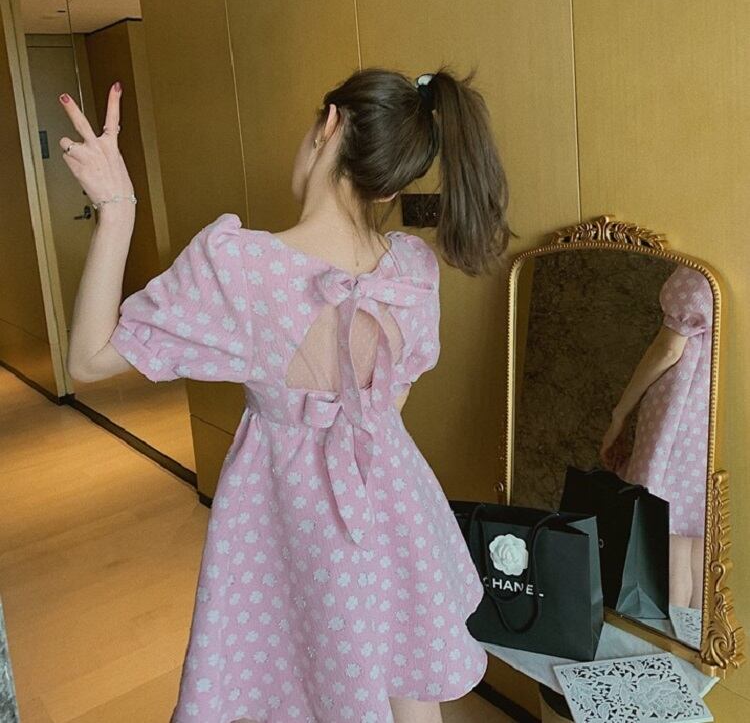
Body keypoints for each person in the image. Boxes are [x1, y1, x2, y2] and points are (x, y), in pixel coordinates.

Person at [61, 65, 511, 723]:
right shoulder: (413, 269)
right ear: (393, 178)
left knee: (313, 686)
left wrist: (117, 209)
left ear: (329, 125)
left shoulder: (241, 266)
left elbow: (88, 359)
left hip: (292, 517)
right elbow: (389, 407)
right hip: (396, 504)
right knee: (405, 676)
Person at [600, 264, 713, 611]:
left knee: (672, 540)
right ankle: (690, 638)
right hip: (715, 422)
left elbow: (668, 350)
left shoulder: (701, 271)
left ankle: (665, 638)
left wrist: (620, 413)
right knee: (696, 542)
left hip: (683, 418)